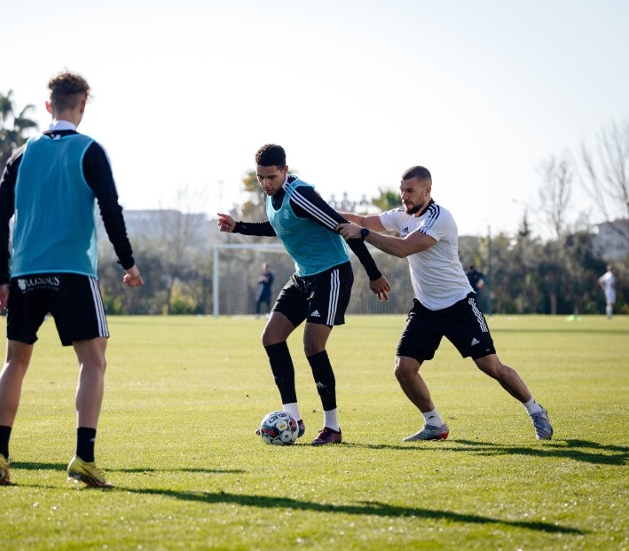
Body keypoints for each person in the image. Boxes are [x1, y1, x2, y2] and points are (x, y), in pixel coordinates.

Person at [0, 71, 144, 487]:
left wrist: (0, 277)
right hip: (72, 270)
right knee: (93, 361)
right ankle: (84, 458)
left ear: (47, 106)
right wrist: (128, 263)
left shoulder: (20, 155)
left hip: (24, 273)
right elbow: (111, 209)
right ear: (82, 107)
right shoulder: (89, 150)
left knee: (14, 362)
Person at [338, 165, 553, 441]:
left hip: (459, 304)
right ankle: (434, 424)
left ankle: (535, 410)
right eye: (402, 190)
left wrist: (363, 234)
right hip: (426, 308)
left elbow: (402, 248)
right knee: (404, 369)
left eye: (410, 190)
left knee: (490, 366)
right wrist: (315, 208)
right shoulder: (401, 215)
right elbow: (362, 220)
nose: (404, 196)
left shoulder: (440, 219)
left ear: (428, 190)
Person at [217, 144, 390, 445]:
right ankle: (292, 419)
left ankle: (333, 427)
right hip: (304, 277)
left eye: (271, 177)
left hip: (332, 274)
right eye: (261, 178)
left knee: (312, 345)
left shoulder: (301, 195)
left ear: (285, 170)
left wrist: (373, 273)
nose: (266, 184)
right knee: (271, 336)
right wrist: (238, 227)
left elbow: (344, 228)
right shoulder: (274, 197)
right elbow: (280, 228)